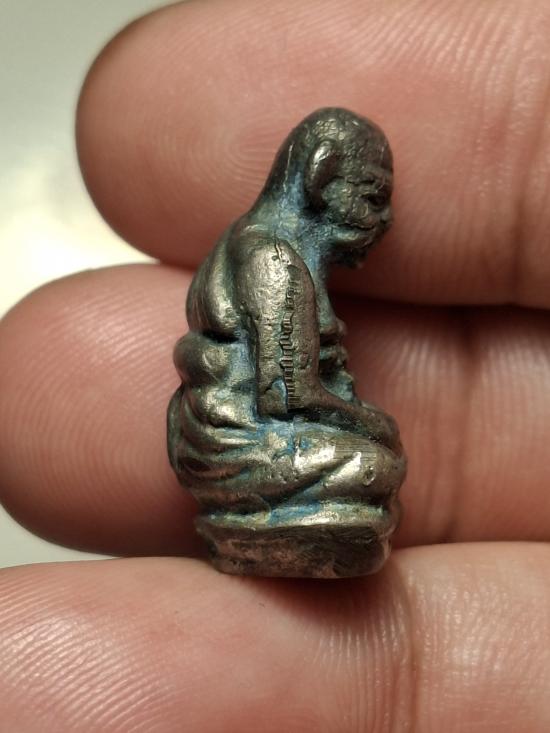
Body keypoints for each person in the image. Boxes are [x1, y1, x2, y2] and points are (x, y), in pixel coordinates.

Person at [0, 0, 549, 729]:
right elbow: (289, 395)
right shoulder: (274, 261)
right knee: (374, 464)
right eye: (370, 196)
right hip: (243, 443)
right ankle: (270, 526)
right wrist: (373, 425)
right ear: (320, 181)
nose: (383, 219)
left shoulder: (280, 253)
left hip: (259, 438)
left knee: (375, 463)